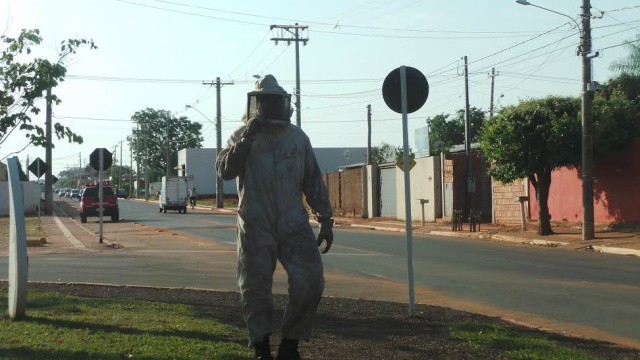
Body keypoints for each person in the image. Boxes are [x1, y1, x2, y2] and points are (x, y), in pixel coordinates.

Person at [216, 75, 334, 360]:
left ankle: (290, 344)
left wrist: (326, 218)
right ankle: (260, 347)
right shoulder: (240, 136)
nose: (268, 106)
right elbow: (224, 171)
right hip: (255, 224)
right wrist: (245, 140)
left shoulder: (297, 137)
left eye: (274, 100)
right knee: (255, 289)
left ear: (283, 104)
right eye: (263, 101)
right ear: (255, 104)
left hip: (294, 224)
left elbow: (312, 180)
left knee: (311, 281)